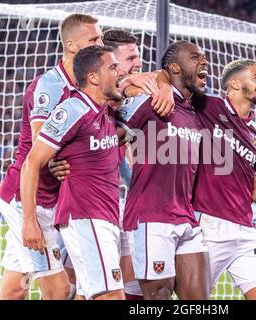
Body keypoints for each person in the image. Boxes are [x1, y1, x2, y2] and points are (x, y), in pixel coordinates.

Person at [48, 29, 174, 300]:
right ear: (107, 64)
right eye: (129, 59)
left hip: (107, 206)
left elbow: (165, 76)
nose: (138, 65)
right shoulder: (75, 99)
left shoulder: (115, 104)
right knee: (64, 289)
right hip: (75, 206)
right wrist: (51, 163)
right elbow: (46, 145)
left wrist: (163, 87)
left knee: (96, 288)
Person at [0, 13, 104, 300]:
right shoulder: (50, 86)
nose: (100, 43)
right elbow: (40, 141)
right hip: (26, 198)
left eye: (100, 38)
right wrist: (29, 218)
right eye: (93, 39)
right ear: (71, 45)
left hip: (52, 199)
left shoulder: (88, 85)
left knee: (14, 290)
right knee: (58, 288)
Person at [21, 45, 125, 300]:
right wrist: (29, 221)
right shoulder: (72, 110)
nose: (119, 72)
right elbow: (31, 163)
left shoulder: (105, 112)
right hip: (85, 216)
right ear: (93, 77)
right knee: (111, 296)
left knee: (83, 294)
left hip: (104, 216)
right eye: (112, 67)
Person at [116, 40, 211, 300]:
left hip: (186, 217)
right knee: (158, 298)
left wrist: (164, 83)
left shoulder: (196, 109)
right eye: (195, 57)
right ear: (175, 67)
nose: (204, 61)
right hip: (150, 216)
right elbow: (109, 137)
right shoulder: (148, 101)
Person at [192, 59, 256, 299]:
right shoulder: (208, 106)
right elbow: (173, 89)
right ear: (235, 83)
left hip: (245, 232)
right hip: (210, 227)